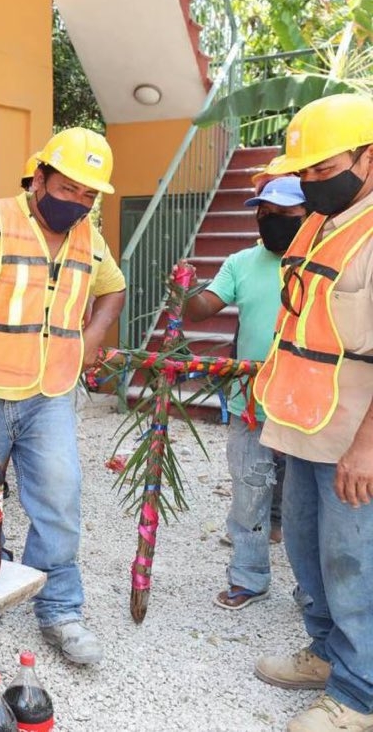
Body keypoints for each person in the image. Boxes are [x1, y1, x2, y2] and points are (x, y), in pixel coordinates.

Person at [0, 128, 126, 665]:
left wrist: (93, 337)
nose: (78, 203)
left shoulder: (89, 235)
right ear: (38, 177)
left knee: (59, 501)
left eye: (89, 195)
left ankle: (59, 609)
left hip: (51, 393)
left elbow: (114, 288)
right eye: (68, 189)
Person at [251, 93, 373, 732]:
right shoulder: (315, 223)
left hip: (355, 436)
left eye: (323, 170)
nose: (310, 182)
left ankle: (360, 695)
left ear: (369, 159)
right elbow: (298, 322)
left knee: (354, 562)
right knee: (305, 549)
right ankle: (327, 654)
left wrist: (368, 447)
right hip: (301, 423)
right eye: (305, 172)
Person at [179, 175, 306, 610]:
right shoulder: (240, 262)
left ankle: (312, 591)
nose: (271, 221)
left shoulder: (321, 261)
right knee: (249, 490)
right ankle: (249, 577)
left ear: (307, 215)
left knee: (306, 503)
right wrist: (184, 289)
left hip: (309, 405)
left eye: (284, 215)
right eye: (264, 213)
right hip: (250, 401)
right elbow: (203, 307)